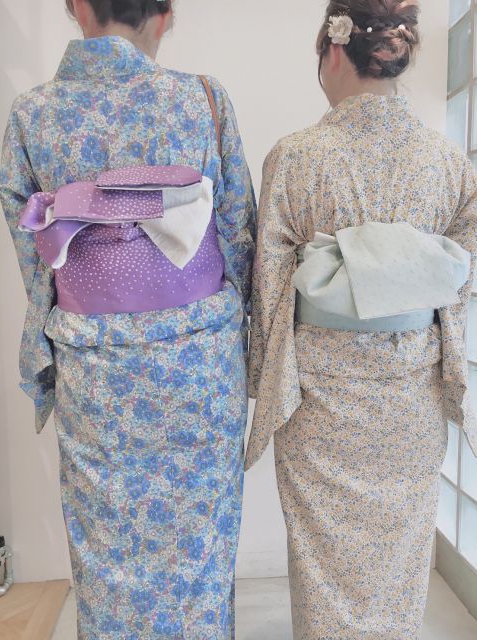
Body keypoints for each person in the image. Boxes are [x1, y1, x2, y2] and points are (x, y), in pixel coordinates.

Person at [0, 0, 256, 638]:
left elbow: (38, 264)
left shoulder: (32, 114)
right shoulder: (203, 100)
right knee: (199, 550)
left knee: (108, 551)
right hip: (198, 364)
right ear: (165, 14)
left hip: (97, 369)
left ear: (75, 6)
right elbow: (239, 238)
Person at [247, 0, 477, 638]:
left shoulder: (294, 157)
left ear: (333, 49)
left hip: (321, 395)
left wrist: (262, 375)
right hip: (411, 393)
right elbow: (461, 273)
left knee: (322, 563)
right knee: (399, 560)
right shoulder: (446, 161)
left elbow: (270, 287)